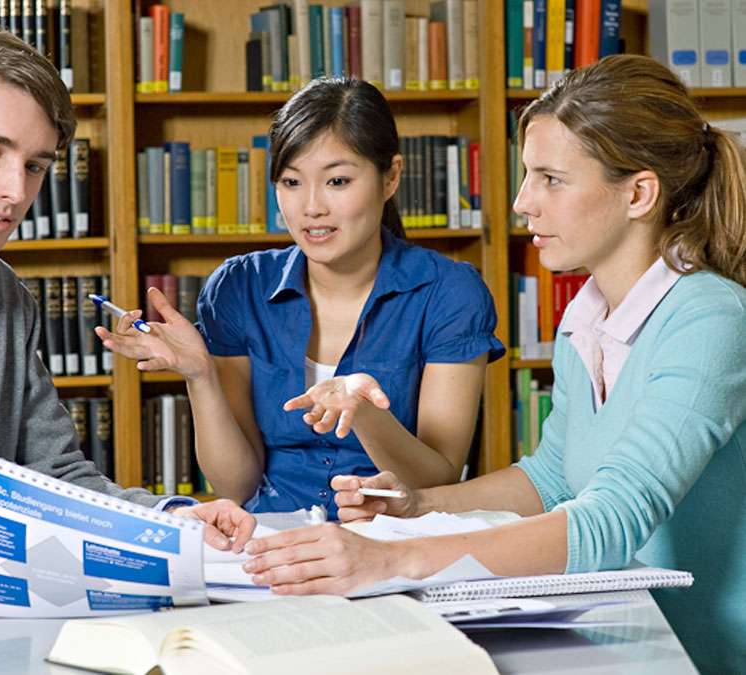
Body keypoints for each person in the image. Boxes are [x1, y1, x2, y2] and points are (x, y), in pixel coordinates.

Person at [240, 55, 746, 673]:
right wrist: (422, 506)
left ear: (638, 193)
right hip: (620, 637)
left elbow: (610, 520)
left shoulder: (709, 317)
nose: (523, 202)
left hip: (708, 652)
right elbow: (553, 480)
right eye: (527, 175)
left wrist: (392, 560)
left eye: (551, 179)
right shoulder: (586, 318)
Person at [0, 25, 255, 644]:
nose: (16, 192)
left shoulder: (7, 293)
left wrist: (172, 520)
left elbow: (57, 474)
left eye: (36, 165)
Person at [98, 76, 504, 516]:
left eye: (338, 181)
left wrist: (364, 415)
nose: (312, 208)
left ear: (391, 177)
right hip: (269, 540)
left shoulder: (449, 293)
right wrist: (201, 377)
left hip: (390, 541)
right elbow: (237, 485)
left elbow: (437, 479)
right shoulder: (238, 288)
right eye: (291, 182)